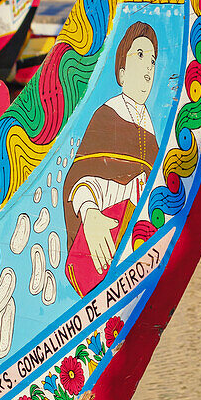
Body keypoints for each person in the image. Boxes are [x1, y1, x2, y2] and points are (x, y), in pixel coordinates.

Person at [63, 22, 160, 295]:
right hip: (103, 239)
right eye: (139, 56)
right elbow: (84, 177)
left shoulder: (151, 132)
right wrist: (90, 213)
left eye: (152, 60)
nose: (148, 70)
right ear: (121, 70)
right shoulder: (107, 116)